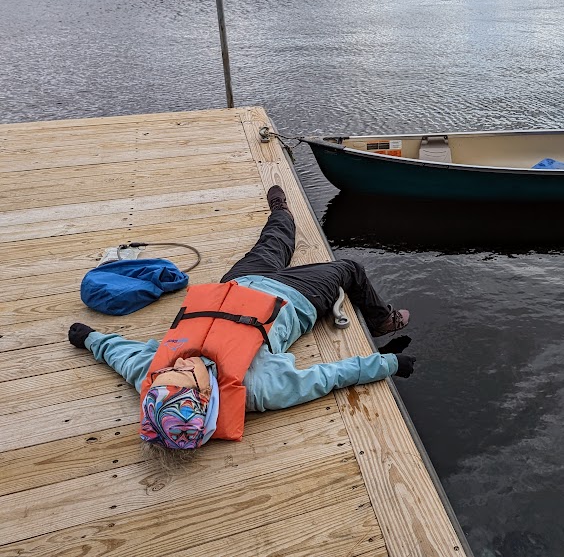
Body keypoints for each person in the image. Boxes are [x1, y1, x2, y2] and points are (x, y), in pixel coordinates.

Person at [67, 185, 415, 451]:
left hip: (239, 283)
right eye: (186, 375)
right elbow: (329, 376)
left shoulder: (157, 377)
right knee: (349, 268)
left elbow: (122, 356)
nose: (179, 364)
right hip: (295, 297)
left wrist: (89, 339)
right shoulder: (260, 388)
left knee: (275, 239)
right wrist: (388, 363)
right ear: (207, 393)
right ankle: (382, 320)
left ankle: (282, 213)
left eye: (166, 372)